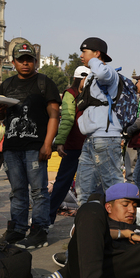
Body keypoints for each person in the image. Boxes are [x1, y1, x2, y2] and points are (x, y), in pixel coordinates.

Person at [0, 42, 61, 248]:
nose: (25, 63)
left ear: (35, 61)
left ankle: (39, 230)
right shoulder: (7, 84)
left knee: (39, 191)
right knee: (17, 191)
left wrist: (48, 144)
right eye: (21, 60)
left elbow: (54, 115)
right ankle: (17, 229)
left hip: (35, 146)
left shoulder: (44, 83)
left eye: (29, 59)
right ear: (13, 62)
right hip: (12, 148)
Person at [75, 37, 123, 205]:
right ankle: (85, 226)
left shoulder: (107, 71)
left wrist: (94, 61)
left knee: (114, 188)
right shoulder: (92, 76)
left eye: (84, 51)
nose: (81, 55)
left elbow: (102, 73)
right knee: (83, 189)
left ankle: (119, 226)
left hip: (106, 138)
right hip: (91, 139)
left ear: (96, 53)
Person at [49, 66, 90, 226]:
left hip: (75, 145)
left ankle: (48, 219)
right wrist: (60, 141)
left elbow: (67, 119)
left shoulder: (71, 94)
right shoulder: (83, 94)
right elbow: (67, 120)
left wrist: (60, 142)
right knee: (84, 184)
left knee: (63, 183)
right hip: (81, 145)